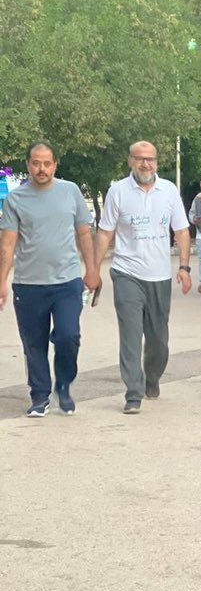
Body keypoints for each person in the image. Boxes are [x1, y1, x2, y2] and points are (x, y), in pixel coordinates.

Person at [0, 142, 100, 417]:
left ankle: (64, 385)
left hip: (67, 281)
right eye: (36, 163)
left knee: (69, 335)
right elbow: (8, 243)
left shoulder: (70, 191)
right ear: (28, 165)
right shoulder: (16, 199)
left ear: (55, 165)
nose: (41, 169)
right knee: (34, 344)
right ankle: (40, 396)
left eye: (46, 163)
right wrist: (2, 281)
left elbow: (83, 233)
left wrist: (92, 270)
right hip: (28, 284)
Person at [94, 140, 192, 414]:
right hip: (127, 272)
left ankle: (152, 377)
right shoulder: (118, 191)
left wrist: (184, 268)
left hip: (159, 275)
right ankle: (133, 392)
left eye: (150, 159)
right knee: (130, 335)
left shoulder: (169, 190)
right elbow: (105, 232)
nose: (145, 164)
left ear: (157, 162)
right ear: (130, 161)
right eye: (140, 158)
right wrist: (93, 270)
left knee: (158, 340)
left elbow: (182, 231)